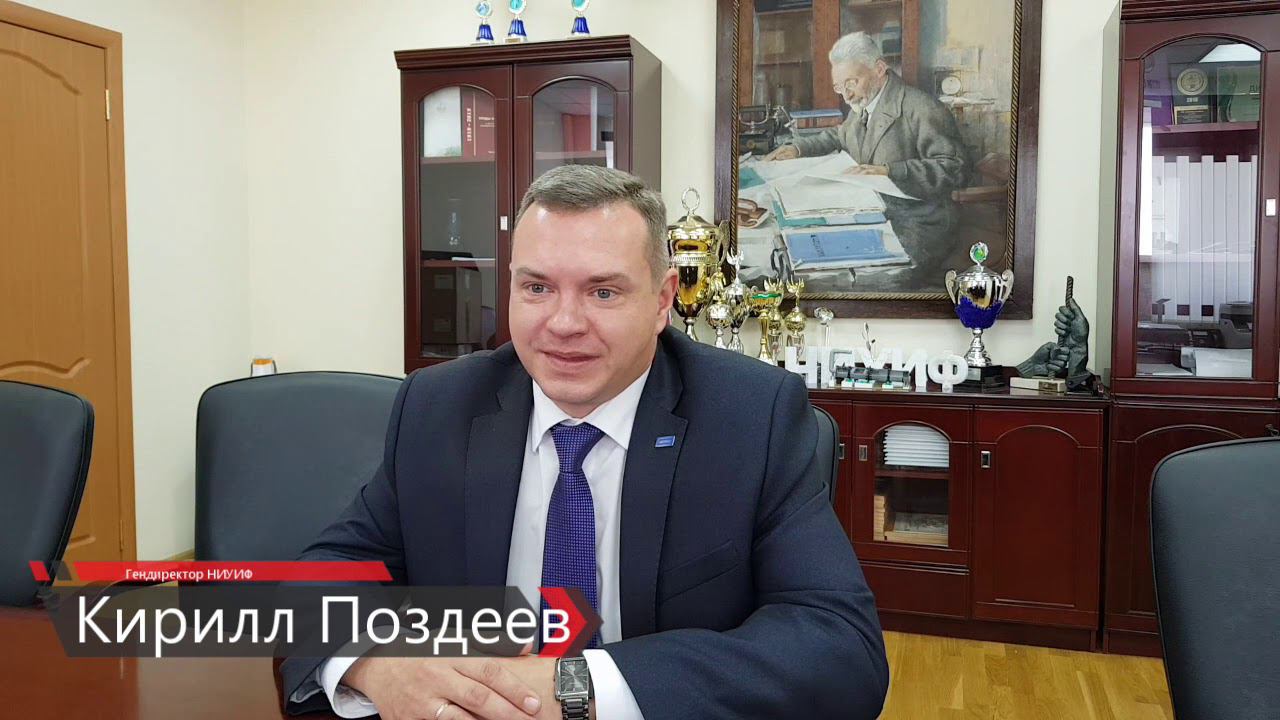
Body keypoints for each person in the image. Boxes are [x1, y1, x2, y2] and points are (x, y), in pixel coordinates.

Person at [278, 165, 888, 719]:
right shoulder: (438, 407)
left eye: (603, 292)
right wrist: (378, 664)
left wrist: (581, 687)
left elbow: (839, 646)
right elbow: (322, 577)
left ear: (663, 300)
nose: (563, 324)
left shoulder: (751, 416)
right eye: (536, 288)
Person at [765, 31, 969, 285]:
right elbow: (841, 135)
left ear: (879, 69)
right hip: (875, 214)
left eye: (852, 82)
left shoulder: (921, 107)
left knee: (869, 282)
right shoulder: (866, 103)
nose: (846, 95)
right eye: (839, 87)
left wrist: (890, 171)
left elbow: (954, 169)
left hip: (920, 223)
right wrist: (798, 148)